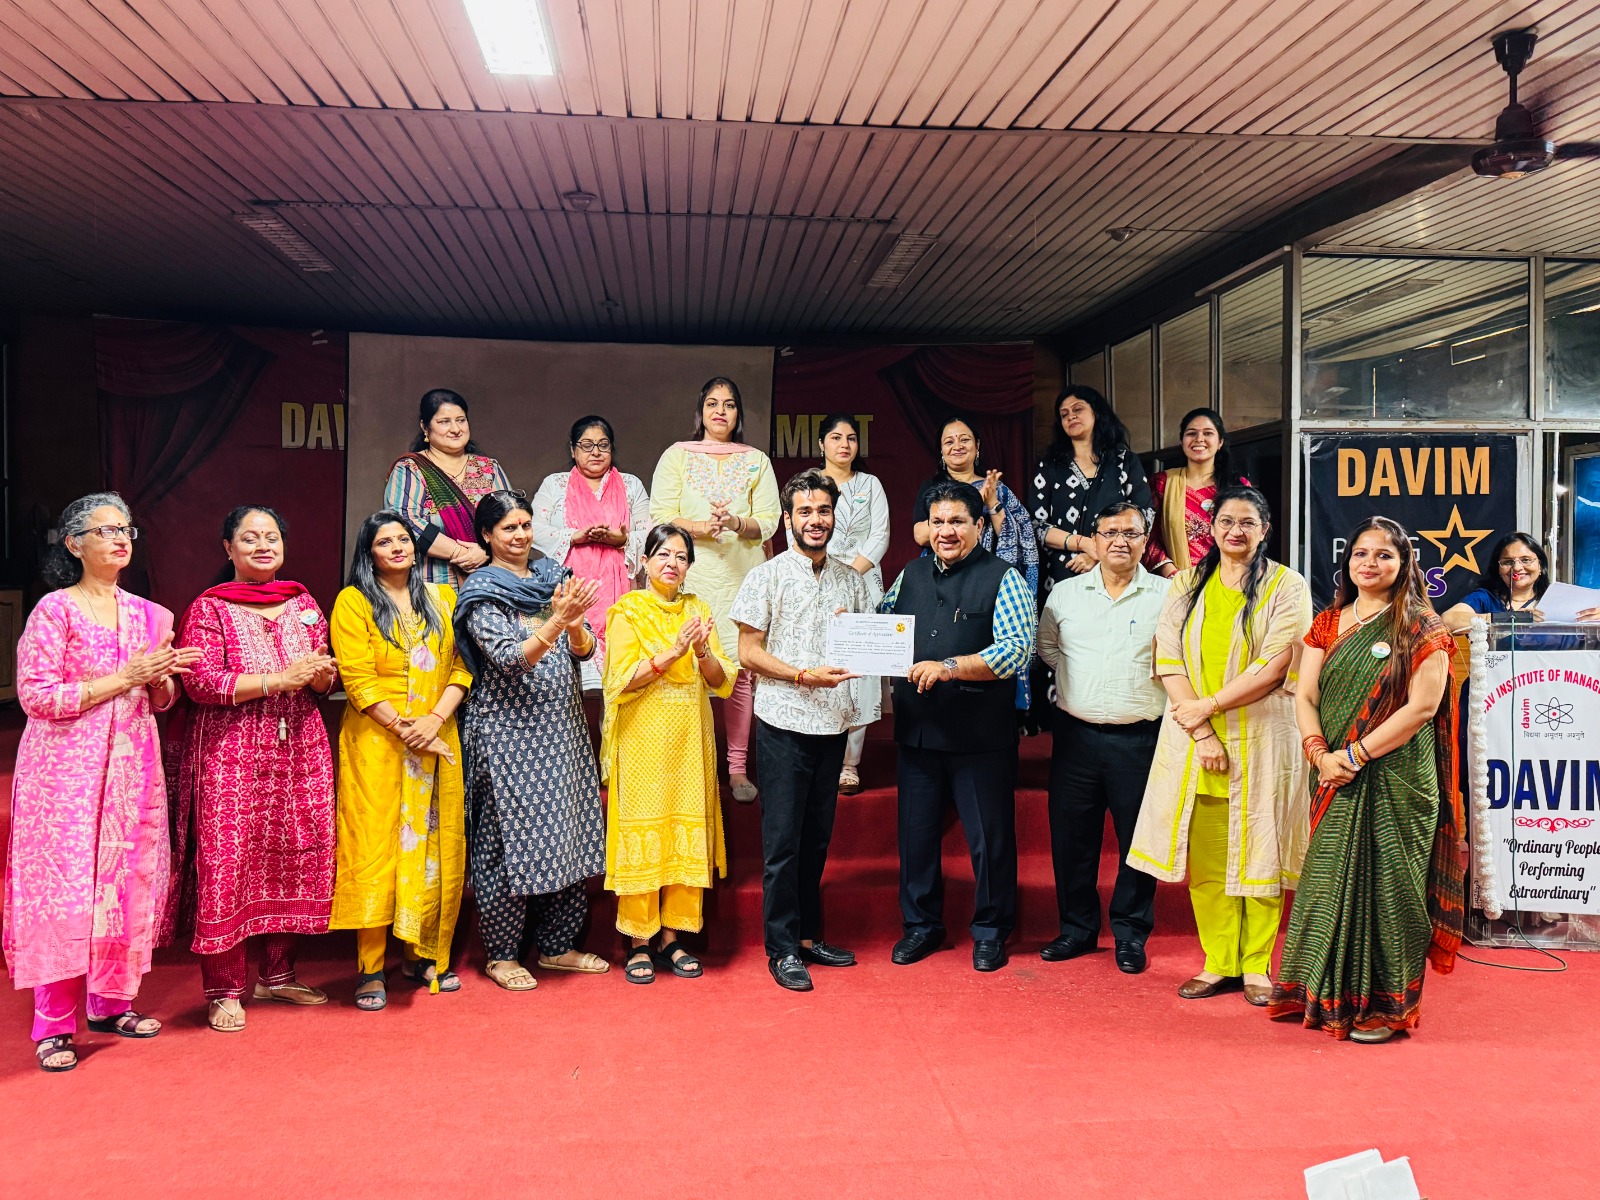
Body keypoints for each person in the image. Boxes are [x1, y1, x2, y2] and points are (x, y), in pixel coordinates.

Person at [5, 494, 200, 1072]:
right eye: (106, 530)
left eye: (126, 530)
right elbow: (36, 696)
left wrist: (161, 681)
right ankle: (53, 1026)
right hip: (62, 776)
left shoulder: (150, 615)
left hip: (131, 770)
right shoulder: (55, 611)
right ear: (73, 543)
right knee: (64, 893)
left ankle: (112, 1005)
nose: (120, 539)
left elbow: (161, 700)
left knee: (122, 884)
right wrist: (125, 676)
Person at [1270, 517, 1463, 1043]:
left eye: (1383, 555)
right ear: (1347, 560)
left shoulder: (1422, 627)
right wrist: (1319, 754)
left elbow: (1422, 708)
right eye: (1361, 553)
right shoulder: (1328, 622)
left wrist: (1354, 753)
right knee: (1327, 881)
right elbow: (1305, 695)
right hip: (1333, 772)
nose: (1370, 563)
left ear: (1404, 564)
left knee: (1391, 889)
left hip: (1398, 777)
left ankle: (1385, 1007)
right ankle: (1321, 992)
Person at [1128, 487, 1311, 1006]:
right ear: (1211, 528)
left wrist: (1207, 707)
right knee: (1207, 863)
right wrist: (1203, 730)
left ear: (1265, 529)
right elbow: (1168, 657)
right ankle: (1218, 962)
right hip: (1195, 742)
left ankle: (1256, 965)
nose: (1236, 531)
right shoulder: (1186, 583)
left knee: (1262, 852)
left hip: (1262, 738)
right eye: (1226, 521)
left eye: (1247, 522)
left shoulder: (1287, 585)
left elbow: (1276, 664)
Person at [167, 506, 339, 1033]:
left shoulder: (303, 602)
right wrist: (277, 680)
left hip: (300, 749)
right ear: (228, 549)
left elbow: (324, 680)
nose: (263, 546)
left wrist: (319, 676)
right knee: (229, 861)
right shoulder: (211, 608)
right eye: (250, 538)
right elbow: (201, 683)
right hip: (232, 752)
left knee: (292, 853)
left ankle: (278, 975)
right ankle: (224, 990)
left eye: (272, 537)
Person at [454, 491, 609, 991]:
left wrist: (576, 625)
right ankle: (501, 955)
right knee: (505, 844)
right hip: (507, 737)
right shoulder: (482, 592)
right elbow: (509, 659)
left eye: (525, 525)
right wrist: (559, 620)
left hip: (561, 730)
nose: (520, 535)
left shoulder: (551, 577)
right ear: (486, 535)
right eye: (509, 528)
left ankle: (558, 946)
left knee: (567, 834)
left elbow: (583, 651)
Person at [882, 481, 1036, 972]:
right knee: (916, 837)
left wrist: (949, 667)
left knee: (989, 840)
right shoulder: (909, 573)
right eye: (937, 522)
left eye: (957, 522)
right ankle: (921, 926)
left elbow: (1016, 650)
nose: (945, 531)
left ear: (978, 525)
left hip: (979, 735)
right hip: (918, 730)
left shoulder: (1004, 577)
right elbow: (885, 620)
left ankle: (991, 931)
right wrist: (853, 628)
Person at [731, 469, 873, 992]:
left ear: (834, 517)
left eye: (824, 511)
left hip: (831, 725)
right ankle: (783, 948)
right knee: (783, 845)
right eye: (805, 511)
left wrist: (864, 644)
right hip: (783, 724)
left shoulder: (851, 579)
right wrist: (800, 675)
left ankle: (810, 938)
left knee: (816, 842)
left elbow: (866, 644)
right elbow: (747, 653)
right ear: (788, 519)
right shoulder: (765, 576)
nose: (816, 520)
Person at [328, 511, 472, 1011]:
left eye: (404, 539)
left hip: (436, 733)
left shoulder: (443, 597)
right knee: (375, 848)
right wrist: (410, 731)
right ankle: (370, 967)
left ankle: (420, 953)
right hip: (378, 742)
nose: (397, 547)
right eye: (384, 541)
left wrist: (433, 721)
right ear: (369, 553)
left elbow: (462, 667)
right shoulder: (354, 601)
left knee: (431, 846)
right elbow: (358, 680)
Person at [1035, 501, 1170, 974]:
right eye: (1110, 532)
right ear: (1094, 539)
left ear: (1145, 541)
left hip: (1141, 740)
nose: (1119, 541)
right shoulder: (1066, 594)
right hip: (1076, 738)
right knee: (1072, 838)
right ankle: (1076, 928)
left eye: (1130, 533)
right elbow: (1048, 648)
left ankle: (1130, 933)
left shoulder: (1168, 595)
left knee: (1138, 840)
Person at [602, 524, 737, 985]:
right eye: (662, 554)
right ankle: (639, 940)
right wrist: (672, 652)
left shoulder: (699, 609)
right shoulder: (627, 610)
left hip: (689, 741)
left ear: (689, 566)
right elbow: (621, 680)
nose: (672, 563)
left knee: (683, 829)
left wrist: (699, 652)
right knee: (646, 831)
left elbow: (721, 680)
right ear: (644, 561)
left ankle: (671, 937)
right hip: (642, 741)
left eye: (681, 556)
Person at [650, 377, 780, 803]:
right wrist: (701, 527)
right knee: (688, 668)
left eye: (729, 404)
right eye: (712, 403)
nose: (720, 411)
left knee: (739, 672)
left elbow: (770, 521)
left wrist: (736, 523)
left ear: (738, 413)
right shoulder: (677, 455)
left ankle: (737, 768)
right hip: (692, 576)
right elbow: (661, 515)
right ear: (701, 411)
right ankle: (694, 765)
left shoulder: (756, 460)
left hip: (742, 578)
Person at [911, 418, 1039, 711]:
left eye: (964, 439)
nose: (957, 445)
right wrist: (961, 511)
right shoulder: (933, 489)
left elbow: (1013, 537)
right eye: (949, 441)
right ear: (940, 450)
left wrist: (990, 503)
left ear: (977, 446)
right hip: (940, 575)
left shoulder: (997, 488)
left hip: (984, 578)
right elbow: (920, 534)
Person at [530, 415, 652, 689]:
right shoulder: (555, 484)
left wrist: (622, 540)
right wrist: (574, 536)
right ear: (573, 450)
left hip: (623, 593)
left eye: (603, 445)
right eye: (586, 445)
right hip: (567, 594)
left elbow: (651, 534)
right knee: (568, 680)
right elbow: (532, 528)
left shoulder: (631, 485)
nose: (595, 452)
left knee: (621, 683)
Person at [813, 413, 890, 795]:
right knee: (821, 665)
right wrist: (825, 574)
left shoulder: (870, 484)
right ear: (821, 444)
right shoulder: (810, 484)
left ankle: (849, 764)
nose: (844, 444)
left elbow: (880, 536)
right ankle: (820, 755)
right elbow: (798, 532)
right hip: (817, 582)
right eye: (836, 437)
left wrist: (848, 574)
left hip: (863, 582)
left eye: (851, 438)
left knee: (860, 673)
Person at [1028, 385, 1154, 601]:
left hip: (1116, 571)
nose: (1071, 416)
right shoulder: (1049, 466)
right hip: (1062, 575)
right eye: (1064, 414)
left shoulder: (1124, 462)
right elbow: (1035, 525)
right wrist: (1084, 543)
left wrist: (1098, 555)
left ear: (1096, 412)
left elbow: (1145, 517)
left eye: (1078, 409)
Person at [384, 388, 513, 588]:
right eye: (444, 422)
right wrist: (462, 553)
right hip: (431, 587)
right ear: (425, 427)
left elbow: (511, 520)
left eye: (461, 420)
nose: (455, 429)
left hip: (490, 586)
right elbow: (405, 523)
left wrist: (485, 551)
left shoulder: (489, 468)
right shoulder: (411, 469)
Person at [1144, 408, 1248, 577]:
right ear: (1182, 441)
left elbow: (1250, 534)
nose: (1199, 439)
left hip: (1228, 580)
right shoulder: (1163, 483)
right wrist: (1172, 574)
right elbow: (1146, 534)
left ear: (1220, 442)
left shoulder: (1238, 486)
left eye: (1208, 433)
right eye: (1191, 433)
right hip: (1173, 582)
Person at [1441, 532, 1600, 631]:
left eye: (1526, 560)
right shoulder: (1485, 599)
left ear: (1540, 566)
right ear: (1498, 568)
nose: (1517, 568)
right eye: (1508, 562)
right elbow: (1448, 620)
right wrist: (1508, 619)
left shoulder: (1559, 599)